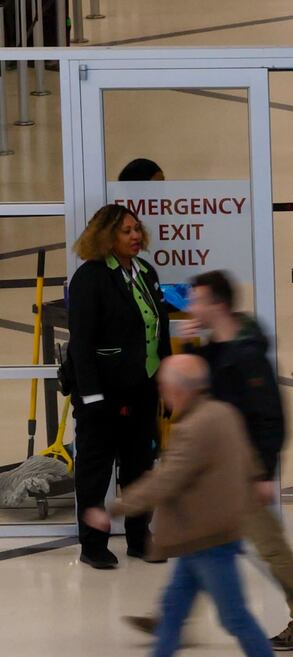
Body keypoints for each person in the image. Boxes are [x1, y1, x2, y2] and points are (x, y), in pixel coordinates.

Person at [86, 354, 293, 657]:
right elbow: (247, 462)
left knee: (236, 619)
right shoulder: (223, 414)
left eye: (165, 387)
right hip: (202, 538)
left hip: (208, 541)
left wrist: (114, 509)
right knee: (171, 616)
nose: (162, 394)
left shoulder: (194, 428)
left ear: (178, 390)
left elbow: (166, 480)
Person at [126, 270, 293, 651]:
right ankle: (172, 616)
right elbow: (196, 391)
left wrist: (264, 473)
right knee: (197, 543)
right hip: (219, 470)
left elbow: (271, 417)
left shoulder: (246, 355)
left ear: (217, 304)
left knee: (270, 547)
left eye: (198, 300)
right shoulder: (217, 347)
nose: (192, 307)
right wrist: (190, 349)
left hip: (244, 472)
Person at [66, 203, 171, 569]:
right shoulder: (89, 279)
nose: (135, 236)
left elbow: (161, 329)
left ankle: (140, 538)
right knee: (96, 470)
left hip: (142, 389)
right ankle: (92, 545)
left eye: (136, 229)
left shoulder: (144, 271)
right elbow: (80, 345)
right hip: (103, 395)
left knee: (140, 467)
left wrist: (168, 380)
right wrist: (93, 397)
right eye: (126, 231)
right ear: (107, 237)